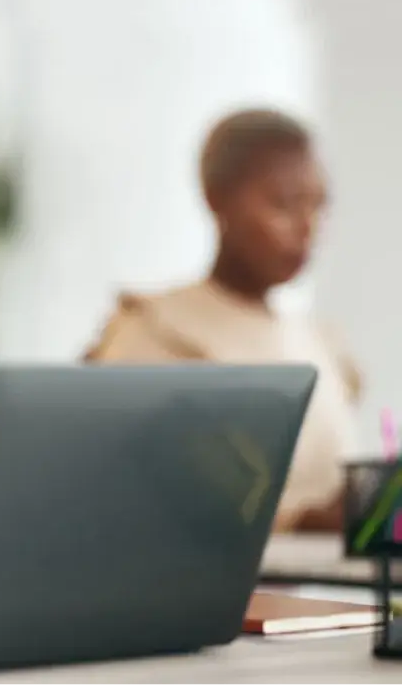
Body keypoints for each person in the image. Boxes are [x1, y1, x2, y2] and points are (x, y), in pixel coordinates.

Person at [82, 108, 361, 533]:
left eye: (319, 205)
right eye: (283, 204)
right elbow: (139, 495)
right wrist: (300, 519)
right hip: (201, 594)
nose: (308, 227)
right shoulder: (156, 329)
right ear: (217, 199)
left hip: (326, 594)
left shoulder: (320, 342)